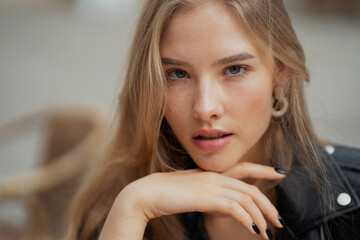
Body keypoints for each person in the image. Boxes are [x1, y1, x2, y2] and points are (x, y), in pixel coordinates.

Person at [66, 0, 360, 239]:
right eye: (177, 74)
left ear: (279, 72)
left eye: (234, 69)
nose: (205, 108)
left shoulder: (353, 202)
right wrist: (134, 205)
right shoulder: (117, 210)